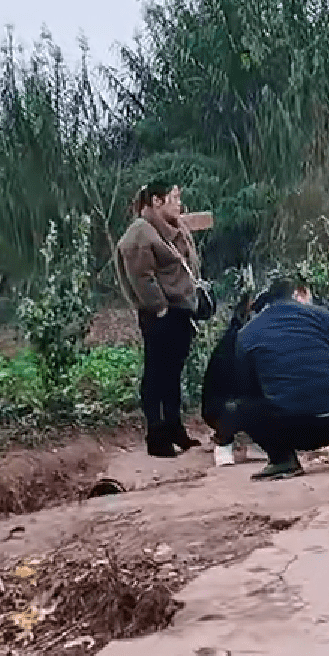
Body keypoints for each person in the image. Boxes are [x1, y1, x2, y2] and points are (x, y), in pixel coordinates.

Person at [232, 279, 329, 481]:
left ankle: (283, 460)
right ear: (300, 293)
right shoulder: (321, 316)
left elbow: (245, 386)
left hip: (290, 428)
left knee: (242, 403)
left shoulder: (247, 333)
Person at [115, 181, 204, 459]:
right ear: (156, 201)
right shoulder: (140, 234)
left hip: (179, 310)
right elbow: (141, 277)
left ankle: (174, 427)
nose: (179, 204)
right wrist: (160, 308)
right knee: (156, 374)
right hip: (160, 314)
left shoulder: (170, 228)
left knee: (173, 373)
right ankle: (156, 435)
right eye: (174, 198)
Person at [201, 295, 255, 467]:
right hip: (226, 409)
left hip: (219, 409)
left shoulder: (231, 339)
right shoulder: (239, 343)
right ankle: (225, 440)